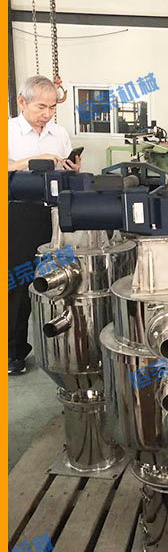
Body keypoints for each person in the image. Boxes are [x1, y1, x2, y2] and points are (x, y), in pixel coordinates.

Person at [8, 75, 80, 375]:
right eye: (41, 107)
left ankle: (68, 346)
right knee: (17, 282)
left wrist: (72, 169)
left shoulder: (59, 134)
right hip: (18, 215)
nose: (47, 114)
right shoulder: (8, 132)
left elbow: (67, 174)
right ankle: (13, 351)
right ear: (22, 102)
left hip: (54, 215)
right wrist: (29, 162)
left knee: (60, 278)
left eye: (52, 108)